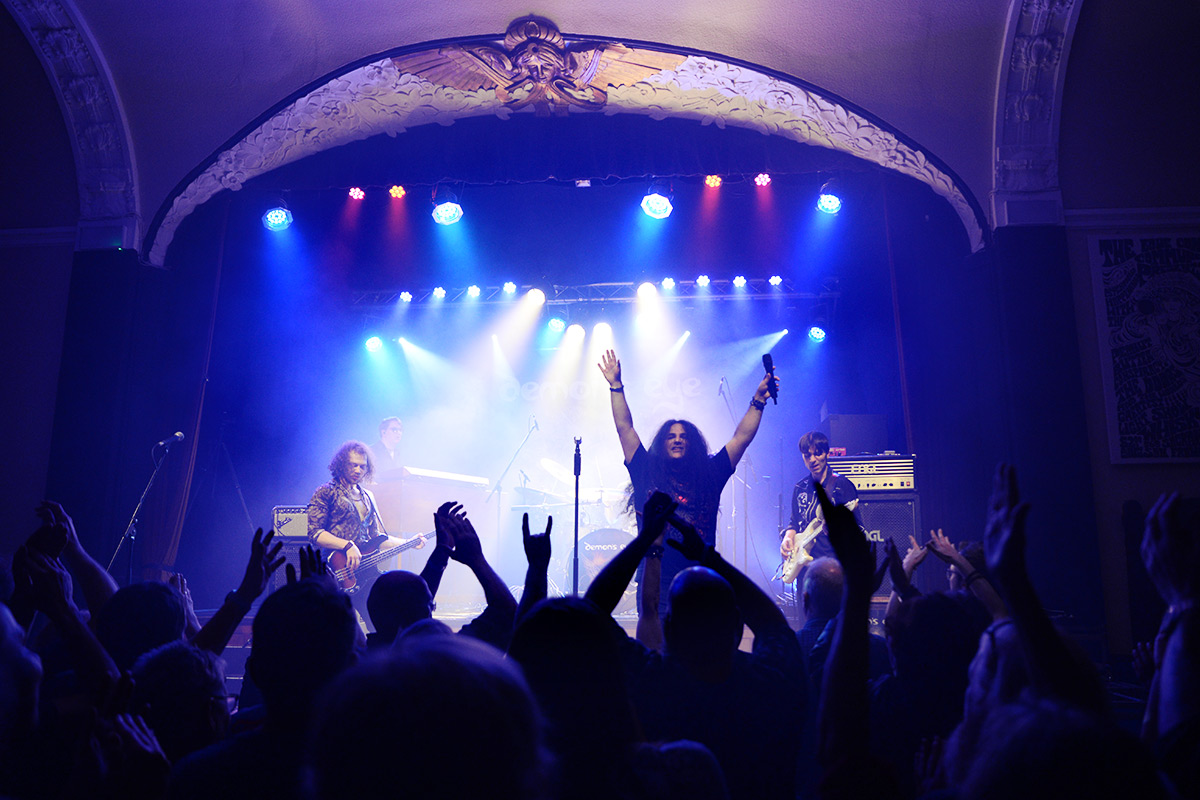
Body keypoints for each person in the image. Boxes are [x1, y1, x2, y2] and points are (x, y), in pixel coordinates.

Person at [597, 349, 773, 612]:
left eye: (683, 436)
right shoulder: (646, 469)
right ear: (662, 442)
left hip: (699, 577)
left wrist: (758, 401)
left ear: (692, 443)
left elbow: (741, 438)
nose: (677, 439)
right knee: (654, 643)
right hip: (655, 574)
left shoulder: (710, 473)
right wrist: (616, 386)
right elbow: (625, 427)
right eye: (671, 436)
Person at [307, 440, 423, 623]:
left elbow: (377, 538)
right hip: (334, 570)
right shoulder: (325, 492)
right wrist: (347, 545)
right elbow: (315, 533)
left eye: (362, 466)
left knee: (381, 623)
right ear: (342, 464)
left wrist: (409, 543)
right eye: (353, 465)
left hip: (363, 574)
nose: (358, 470)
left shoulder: (368, 496)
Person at [779, 430, 860, 568]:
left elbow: (858, 530)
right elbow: (794, 522)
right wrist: (788, 537)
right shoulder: (800, 488)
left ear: (827, 453)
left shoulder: (841, 486)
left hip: (832, 566)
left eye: (818, 453)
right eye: (807, 455)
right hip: (804, 567)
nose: (812, 460)